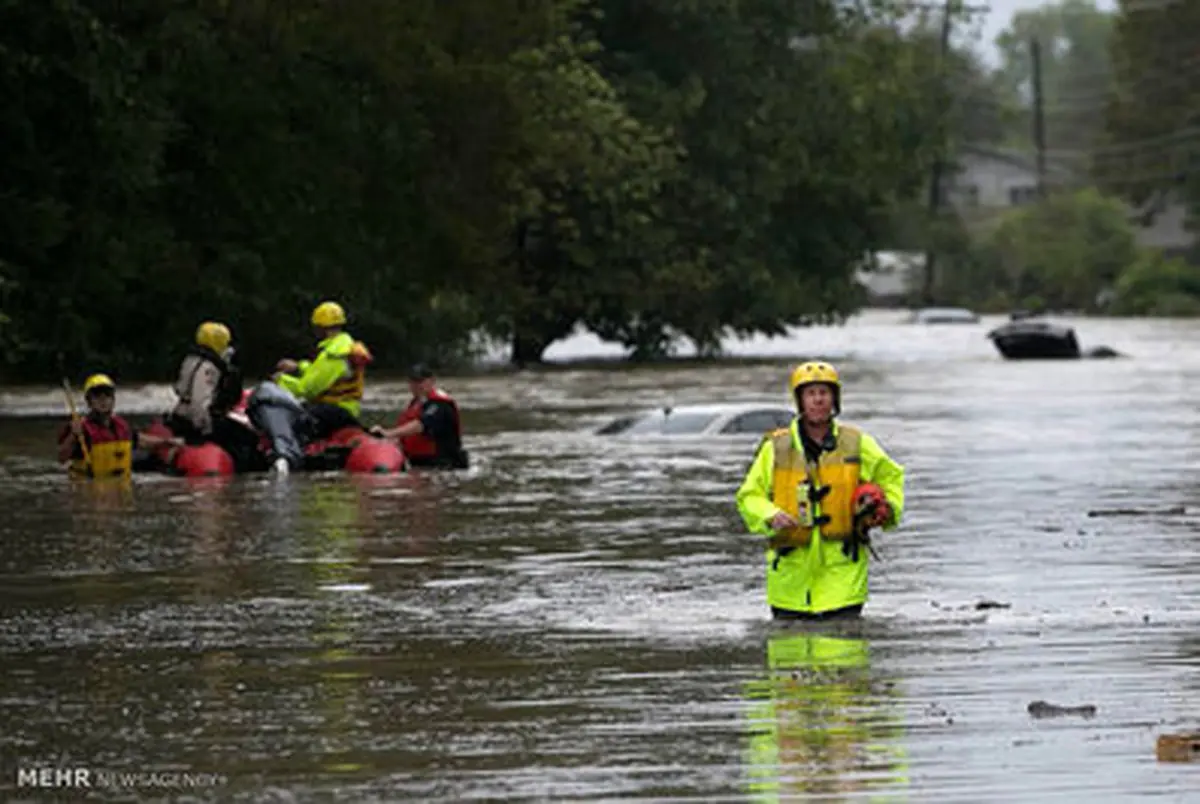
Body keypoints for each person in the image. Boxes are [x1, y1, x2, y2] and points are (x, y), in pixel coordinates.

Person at [735, 361, 904, 621]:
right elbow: (749, 496)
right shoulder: (776, 447)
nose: (818, 400)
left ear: (834, 399)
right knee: (788, 658)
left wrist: (887, 510)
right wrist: (770, 515)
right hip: (790, 581)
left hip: (843, 580)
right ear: (800, 400)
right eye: (811, 393)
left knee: (845, 657)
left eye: (824, 393)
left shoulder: (857, 443)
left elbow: (891, 476)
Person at [253, 301, 372, 473]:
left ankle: (287, 456)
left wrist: (280, 381)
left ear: (322, 327)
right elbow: (319, 374)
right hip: (341, 408)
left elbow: (308, 388)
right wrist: (298, 367)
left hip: (336, 410)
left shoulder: (335, 354)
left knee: (294, 416)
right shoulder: (340, 347)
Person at [57, 373, 181, 479]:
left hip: (118, 483)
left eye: (107, 396)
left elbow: (140, 440)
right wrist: (73, 435)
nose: (103, 400)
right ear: (89, 402)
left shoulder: (120, 425)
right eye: (97, 397)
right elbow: (62, 458)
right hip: (90, 484)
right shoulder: (81, 428)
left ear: (113, 400)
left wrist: (167, 442)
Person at [370, 363, 468, 470]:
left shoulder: (440, 404)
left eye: (420, 381)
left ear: (432, 381)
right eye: (412, 382)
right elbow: (405, 435)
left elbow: (420, 425)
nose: (416, 386)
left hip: (444, 465)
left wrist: (388, 433)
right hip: (420, 464)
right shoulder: (416, 403)